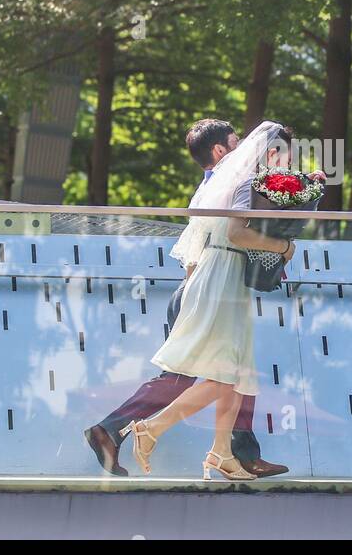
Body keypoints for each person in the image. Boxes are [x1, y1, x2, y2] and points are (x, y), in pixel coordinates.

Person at [84, 119, 291, 478]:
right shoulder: (234, 181)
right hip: (208, 286)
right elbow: (233, 235)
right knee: (204, 377)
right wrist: (281, 247)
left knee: (235, 369)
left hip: (204, 283)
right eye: (236, 141)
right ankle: (125, 429)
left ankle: (233, 452)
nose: (245, 146)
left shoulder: (216, 184)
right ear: (219, 150)